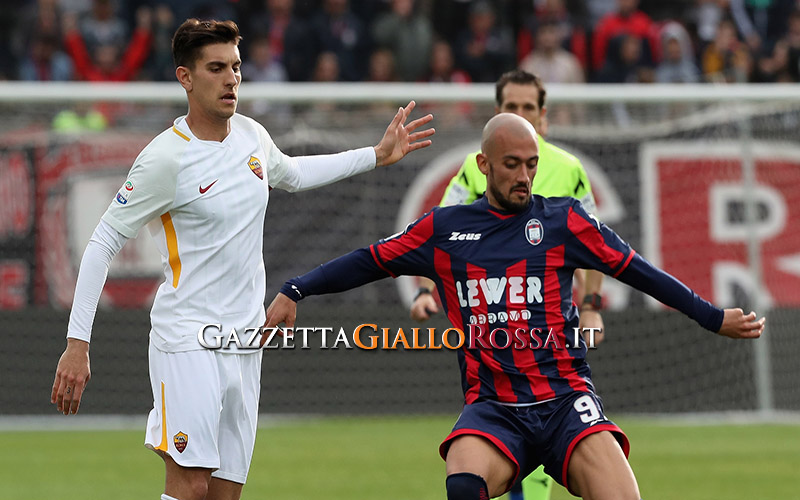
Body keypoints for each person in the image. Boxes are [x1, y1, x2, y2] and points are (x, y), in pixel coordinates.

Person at [264, 113, 765, 500]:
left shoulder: (564, 221)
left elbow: (637, 269)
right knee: (463, 480)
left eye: (531, 165)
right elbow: (368, 260)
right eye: (511, 165)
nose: (524, 176)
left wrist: (712, 316)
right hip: (494, 409)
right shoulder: (445, 230)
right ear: (484, 166)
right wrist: (296, 289)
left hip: (566, 400)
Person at [51, 18, 434, 500]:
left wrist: (376, 155)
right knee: (190, 487)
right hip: (186, 339)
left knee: (224, 494)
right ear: (185, 78)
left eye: (235, 67)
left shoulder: (252, 136)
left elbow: (293, 173)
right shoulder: (165, 159)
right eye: (216, 68)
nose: (231, 78)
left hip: (245, 339)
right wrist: (77, 343)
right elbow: (102, 242)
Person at [412, 69, 600, 500]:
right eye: (511, 108)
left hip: (551, 337)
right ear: (497, 115)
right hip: (492, 340)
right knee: (494, 458)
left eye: (529, 108)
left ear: (544, 115)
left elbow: (598, 246)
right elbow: (432, 236)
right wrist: (425, 291)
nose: (522, 116)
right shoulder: (475, 168)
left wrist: (592, 303)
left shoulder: (569, 169)